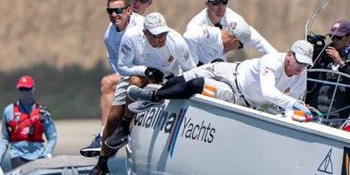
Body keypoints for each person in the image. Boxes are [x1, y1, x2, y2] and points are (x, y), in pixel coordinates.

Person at [82, 12, 195, 175]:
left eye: (163, 34)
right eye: (155, 36)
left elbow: (190, 71)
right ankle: (102, 164)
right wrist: (146, 70)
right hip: (138, 75)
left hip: (168, 78)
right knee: (113, 118)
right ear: (145, 33)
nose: (160, 39)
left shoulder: (177, 42)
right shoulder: (132, 37)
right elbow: (122, 66)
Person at [127, 40, 315, 118]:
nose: (301, 67)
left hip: (238, 96)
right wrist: (293, 102)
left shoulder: (301, 75)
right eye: (299, 61)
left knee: (196, 84)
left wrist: (296, 107)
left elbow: (291, 102)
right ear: (289, 54)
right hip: (230, 71)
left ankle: (154, 98)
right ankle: (151, 93)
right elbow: (268, 91)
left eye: (305, 64)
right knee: (184, 76)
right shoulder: (272, 61)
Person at [81, 0, 154, 156]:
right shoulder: (109, 35)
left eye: (141, 0)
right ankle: (105, 134)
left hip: (152, 72)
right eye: (110, 12)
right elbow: (116, 61)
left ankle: (110, 133)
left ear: (128, 10)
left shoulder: (144, 25)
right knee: (110, 83)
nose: (114, 14)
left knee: (111, 82)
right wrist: (124, 77)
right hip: (131, 73)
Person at [185, 0, 277, 61]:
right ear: (207, 4)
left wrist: (278, 60)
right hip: (199, 62)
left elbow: (256, 39)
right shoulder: (195, 25)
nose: (221, 6)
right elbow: (189, 45)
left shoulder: (233, 19)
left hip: (220, 63)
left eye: (224, 2)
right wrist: (193, 69)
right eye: (216, 2)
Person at [305, 19, 350, 126]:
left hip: (340, 119)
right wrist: (315, 54)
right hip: (314, 113)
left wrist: (340, 63)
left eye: (338, 37)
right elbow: (308, 80)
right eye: (332, 36)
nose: (334, 40)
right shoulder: (324, 53)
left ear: (349, 37)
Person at [0, 75, 57, 168]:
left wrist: (47, 153)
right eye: (21, 89)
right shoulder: (9, 111)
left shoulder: (42, 111)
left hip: (38, 155)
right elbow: (5, 138)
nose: (24, 92)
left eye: (27, 89)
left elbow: (52, 136)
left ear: (33, 90)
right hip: (18, 155)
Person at [184, 17, 252, 66]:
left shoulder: (222, 57)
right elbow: (189, 37)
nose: (237, 49)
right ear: (235, 40)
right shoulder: (212, 34)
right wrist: (193, 64)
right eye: (240, 46)